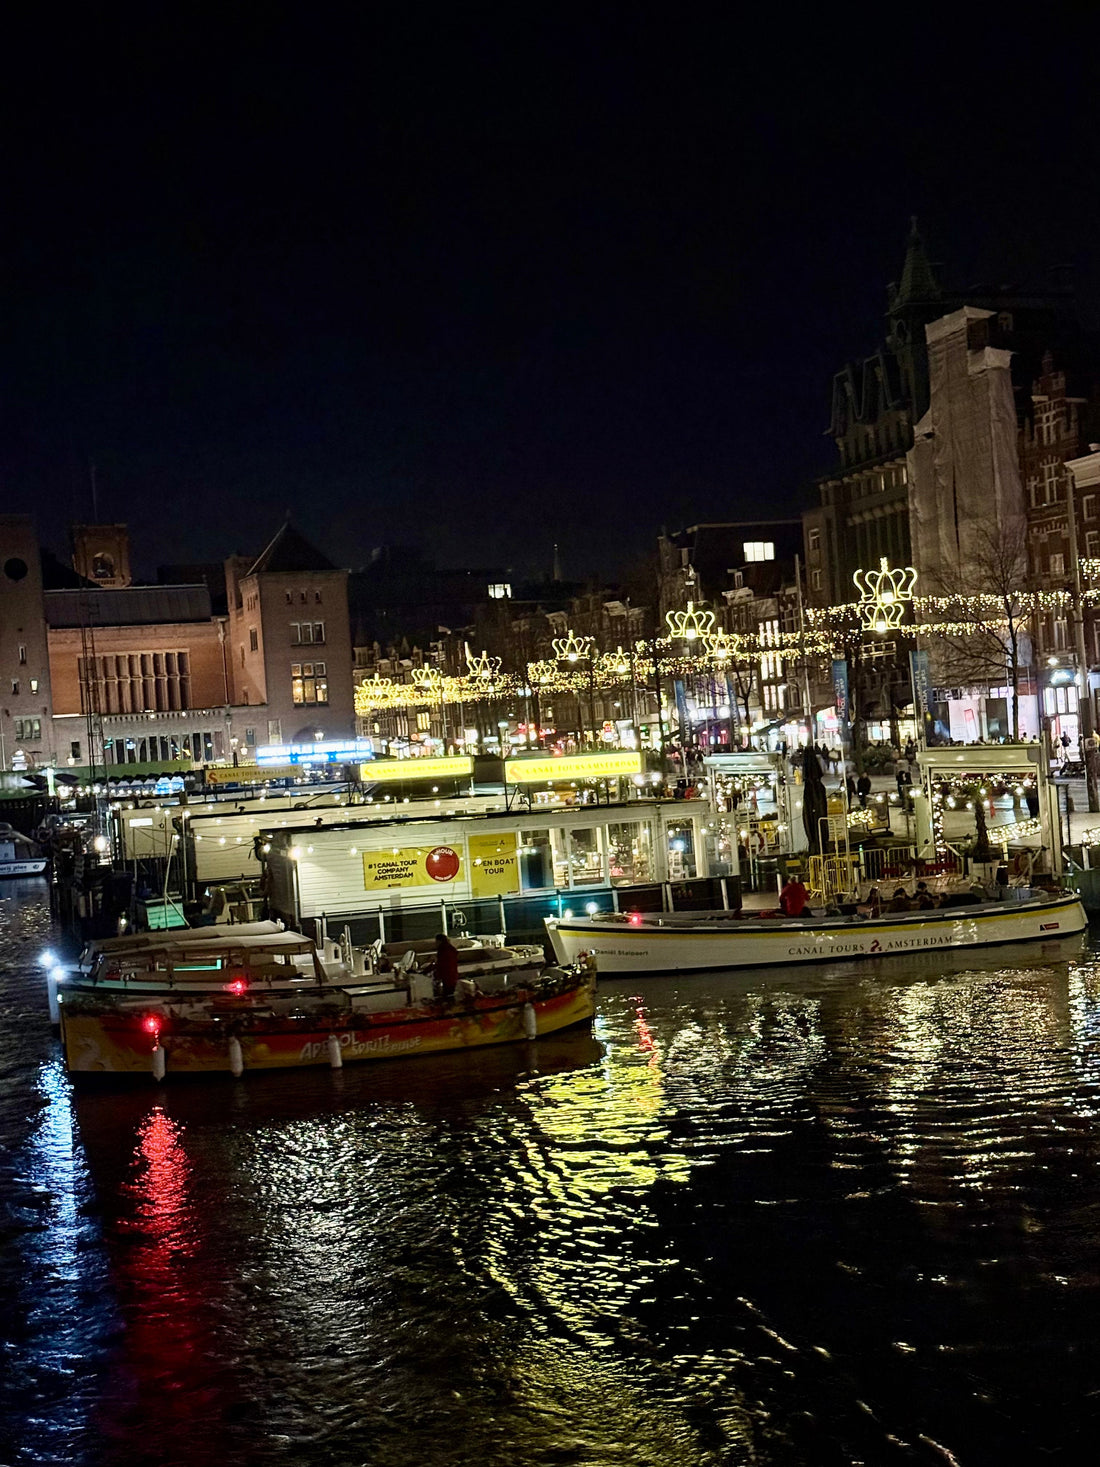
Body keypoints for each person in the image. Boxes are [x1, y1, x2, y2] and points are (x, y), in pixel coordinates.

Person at [433, 933, 460, 999]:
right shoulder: (450, 949)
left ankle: (449, 1007)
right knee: (450, 994)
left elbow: (441, 965)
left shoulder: (443, 950)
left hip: (447, 977)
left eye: (436, 942)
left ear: (439, 941)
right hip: (452, 976)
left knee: (447, 995)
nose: (435, 944)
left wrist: (436, 974)